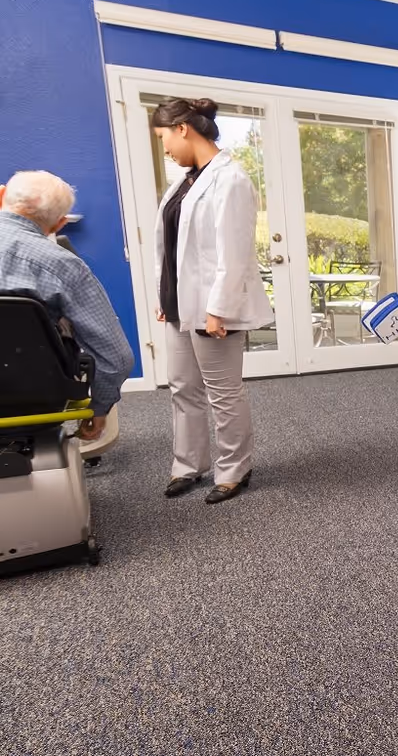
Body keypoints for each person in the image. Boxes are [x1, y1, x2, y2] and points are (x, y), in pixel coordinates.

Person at [152, 98, 274, 505]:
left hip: (211, 308)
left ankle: (234, 468)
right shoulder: (184, 182)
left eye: (164, 138)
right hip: (178, 304)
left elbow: (234, 253)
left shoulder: (231, 179)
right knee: (182, 388)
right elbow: (172, 248)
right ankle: (188, 465)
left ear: (184, 128)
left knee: (222, 391)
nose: (165, 149)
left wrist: (217, 308)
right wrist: (164, 296)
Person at [0, 171, 134, 437]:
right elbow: (117, 359)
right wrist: (99, 408)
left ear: (1, 195)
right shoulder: (64, 266)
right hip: (32, 399)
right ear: (59, 224)